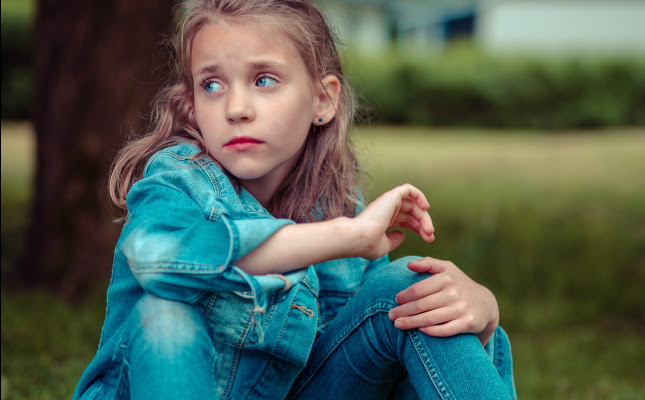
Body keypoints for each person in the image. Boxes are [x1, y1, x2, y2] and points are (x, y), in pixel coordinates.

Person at [73, 1, 516, 399]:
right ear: (190, 105)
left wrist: (485, 316)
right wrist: (347, 236)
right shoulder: (176, 181)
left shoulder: (339, 208)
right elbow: (157, 262)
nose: (236, 107)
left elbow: (391, 360)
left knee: (417, 298)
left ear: (323, 99)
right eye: (212, 85)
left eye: (264, 80)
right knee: (165, 316)